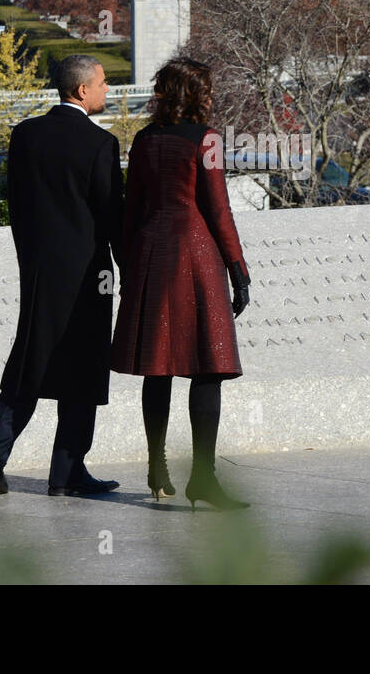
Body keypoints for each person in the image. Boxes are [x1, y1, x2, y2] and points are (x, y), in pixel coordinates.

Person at [0, 55, 124, 496]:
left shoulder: (25, 135)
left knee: (29, 362)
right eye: (102, 83)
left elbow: (16, 204)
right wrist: (130, 270)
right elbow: (112, 217)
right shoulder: (101, 144)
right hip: (88, 277)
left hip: (38, 271)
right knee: (85, 367)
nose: (107, 90)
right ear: (81, 91)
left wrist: (30, 258)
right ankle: (66, 473)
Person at [110, 57, 252, 510]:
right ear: (197, 93)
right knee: (208, 367)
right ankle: (203, 478)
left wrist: (128, 262)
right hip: (195, 255)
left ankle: (157, 468)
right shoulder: (207, 140)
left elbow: (131, 206)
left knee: (159, 365)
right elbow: (218, 208)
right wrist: (238, 267)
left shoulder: (145, 140)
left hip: (150, 252)